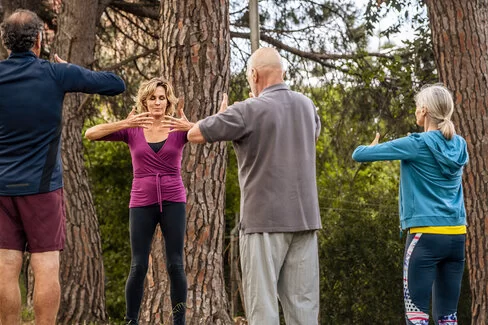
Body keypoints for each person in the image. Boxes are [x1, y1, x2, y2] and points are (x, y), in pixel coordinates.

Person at [164, 47, 322, 325]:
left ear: (253, 74)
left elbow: (195, 133)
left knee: (263, 310)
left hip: (264, 222)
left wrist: (221, 117)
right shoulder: (307, 105)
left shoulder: (248, 109)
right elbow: (311, 133)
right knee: (304, 309)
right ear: (282, 73)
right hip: (305, 220)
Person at [0, 9, 125, 325]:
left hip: (1, 189)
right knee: (46, 266)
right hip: (43, 190)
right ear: (38, 41)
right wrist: (69, 69)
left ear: (6, 44)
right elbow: (116, 84)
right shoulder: (56, 74)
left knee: (4, 267)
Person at [352, 84, 468, 325]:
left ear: (424, 110)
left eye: (417, 107)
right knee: (448, 317)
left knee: (416, 316)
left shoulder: (416, 144)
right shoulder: (460, 145)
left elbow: (359, 154)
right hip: (457, 236)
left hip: (424, 238)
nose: (415, 111)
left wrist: (371, 147)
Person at [85, 77, 192, 325]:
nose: (157, 102)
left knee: (175, 264)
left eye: (162, 97)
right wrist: (125, 122)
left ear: (168, 101)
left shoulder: (178, 127)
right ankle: (130, 321)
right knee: (138, 266)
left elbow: (211, 131)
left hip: (173, 199)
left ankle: (180, 322)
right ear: (144, 101)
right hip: (141, 201)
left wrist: (190, 125)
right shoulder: (132, 129)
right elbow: (90, 134)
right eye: (152, 97)